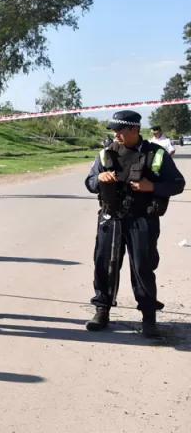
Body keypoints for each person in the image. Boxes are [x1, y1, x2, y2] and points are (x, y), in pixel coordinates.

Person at [85, 110, 184, 338]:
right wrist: (98, 179)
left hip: (142, 219)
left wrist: (153, 187)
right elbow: (89, 182)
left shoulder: (156, 154)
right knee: (104, 265)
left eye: (120, 130)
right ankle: (102, 311)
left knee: (143, 267)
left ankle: (149, 319)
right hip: (111, 218)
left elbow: (178, 183)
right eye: (113, 130)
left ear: (135, 129)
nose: (115, 134)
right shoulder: (106, 154)